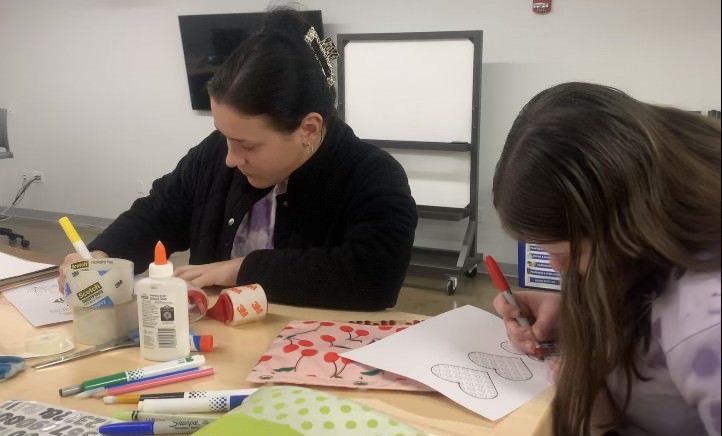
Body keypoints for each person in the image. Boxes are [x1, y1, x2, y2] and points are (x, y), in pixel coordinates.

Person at [60, 9, 417, 311]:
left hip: (304, 354)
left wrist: (239, 269)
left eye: (247, 145)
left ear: (308, 129)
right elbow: (159, 212)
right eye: (224, 136)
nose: (230, 158)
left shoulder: (372, 174)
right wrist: (101, 256)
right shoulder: (217, 153)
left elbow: (373, 277)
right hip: (218, 346)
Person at [491, 82, 720, 435]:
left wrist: (598, 419)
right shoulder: (660, 242)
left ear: (627, 222)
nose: (557, 267)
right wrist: (571, 313)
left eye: (568, 254)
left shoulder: (707, 325)